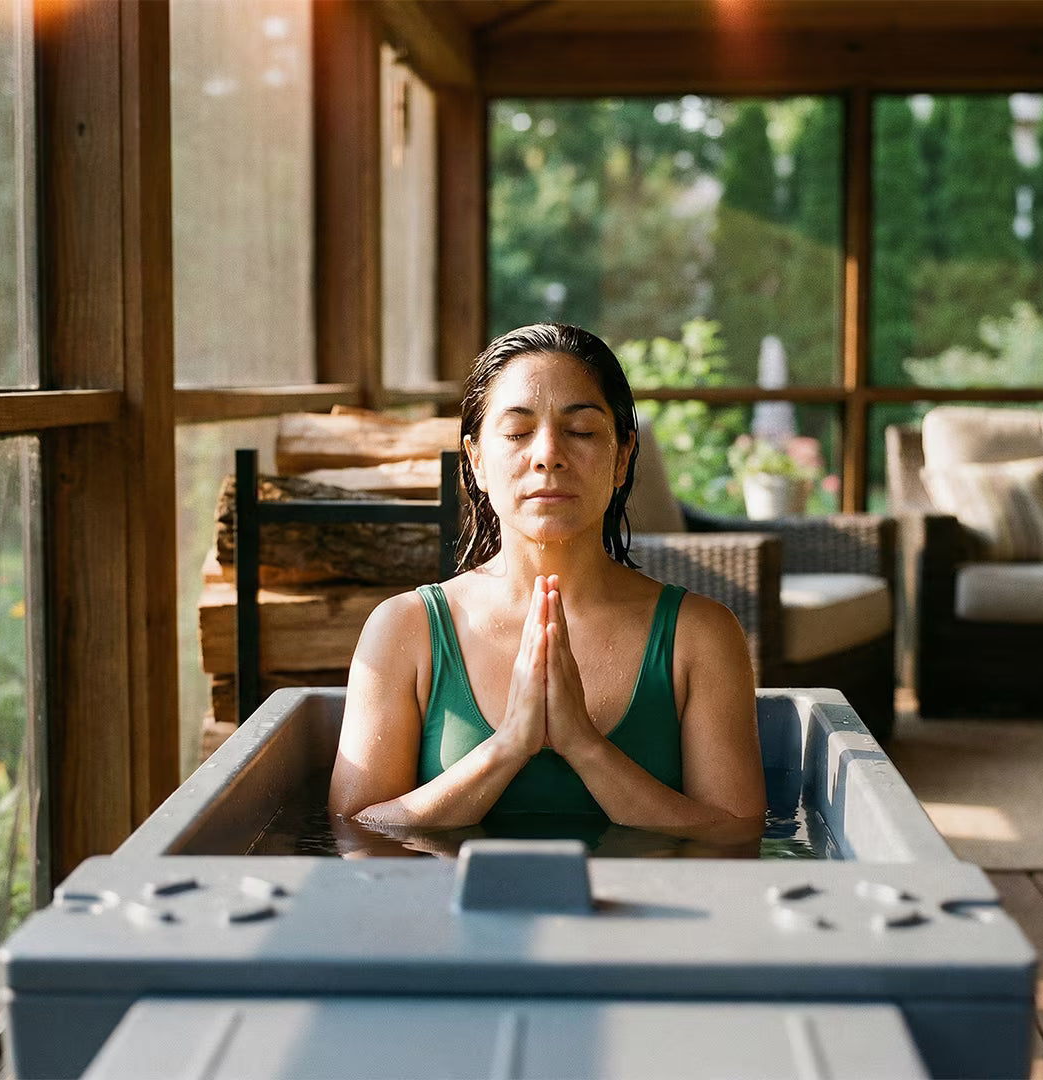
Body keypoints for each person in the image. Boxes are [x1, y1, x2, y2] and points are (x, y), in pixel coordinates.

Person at [327, 324, 766, 838]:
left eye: (580, 431)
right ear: (476, 461)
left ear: (622, 457)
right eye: (517, 433)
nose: (548, 454)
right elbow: (354, 829)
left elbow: (737, 834)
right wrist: (509, 745)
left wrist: (584, 744)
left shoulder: (700, 635)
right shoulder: (406, 630)